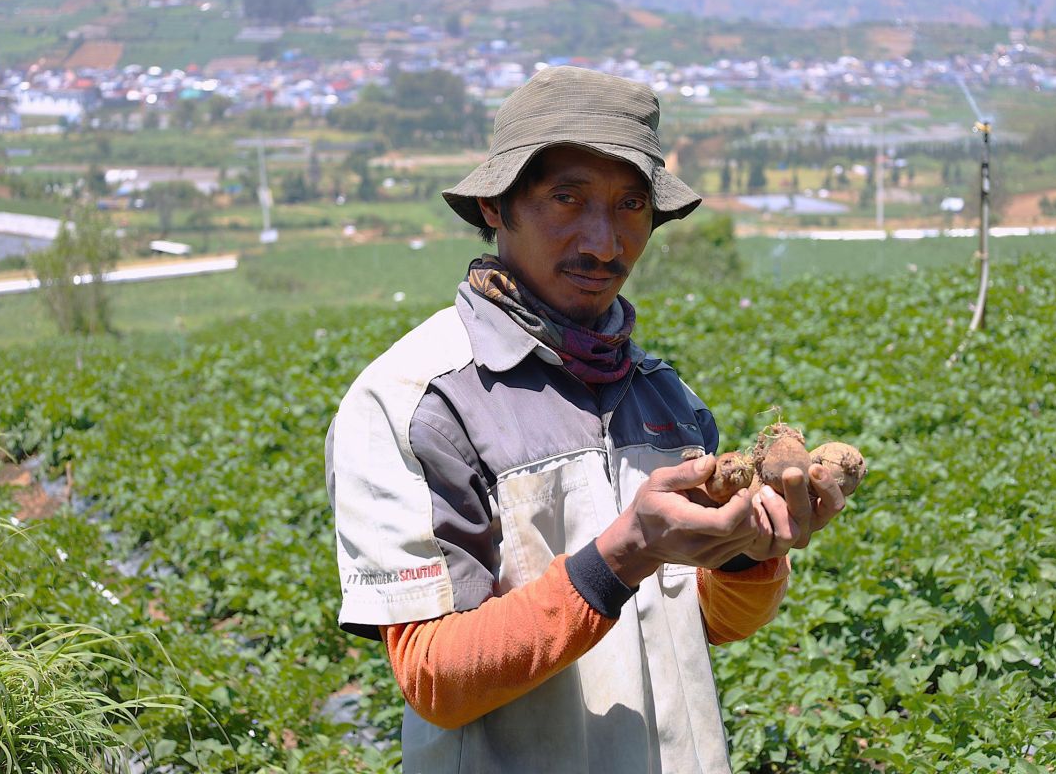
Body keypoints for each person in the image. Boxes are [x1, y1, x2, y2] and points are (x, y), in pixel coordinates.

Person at [326, 65, 846, 773]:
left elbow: (709, 624)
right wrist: (625, 551)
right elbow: (433, 679)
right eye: (566, 199)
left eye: (631, 205)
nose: (605, 244)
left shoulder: (666, 400)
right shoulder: (420, 401)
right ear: (495, 206)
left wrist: (752, 550)